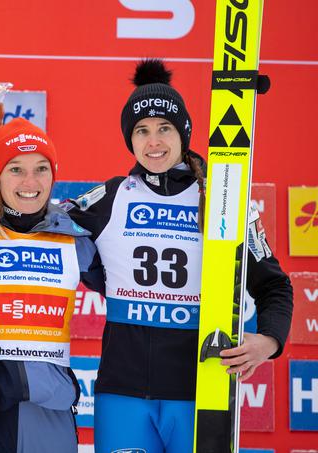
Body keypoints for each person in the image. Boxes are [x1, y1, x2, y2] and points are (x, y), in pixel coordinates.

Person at [61, 59, 293, 453]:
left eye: (164, 129)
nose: (154, 142)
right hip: (122, 395)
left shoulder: (223, 200)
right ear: (129, 139)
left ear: (183, 133)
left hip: (200, 389)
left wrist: (269, 341)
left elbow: (275, 285)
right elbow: (36, 224)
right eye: (142, 131)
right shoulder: (112, 197)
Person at [0, 118, 103, 453]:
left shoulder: (73, 237)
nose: (30, 181)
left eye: (41, 168)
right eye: (16, 169)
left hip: (49, 406)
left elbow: (131, 289)